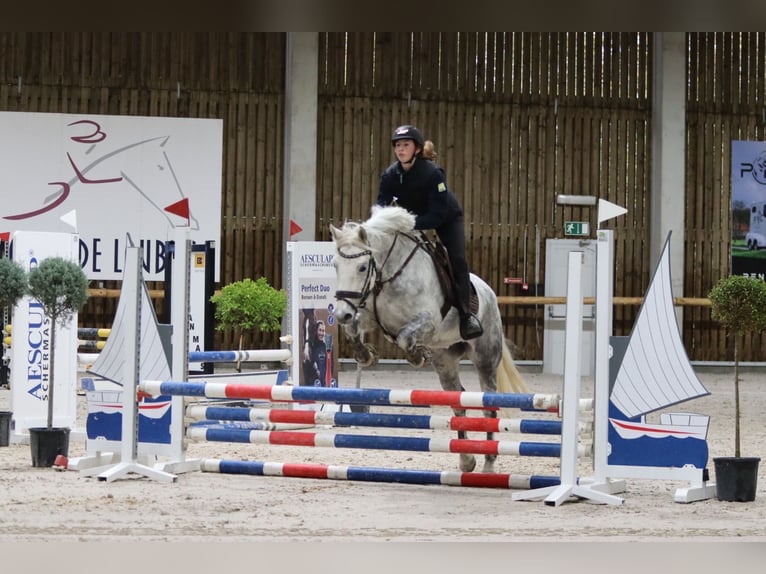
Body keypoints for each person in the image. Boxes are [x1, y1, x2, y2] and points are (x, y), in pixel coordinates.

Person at [376, 124, 483, 340]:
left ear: (416, 149)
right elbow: (380, 207)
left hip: (446, 219)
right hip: (413, 219)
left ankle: (466, 315)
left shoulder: (433, 173)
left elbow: (436, 216)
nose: (400, 150)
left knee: (458, 259)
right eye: (398, 145)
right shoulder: (390, 175)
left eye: (406, 145)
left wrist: (407, 223)